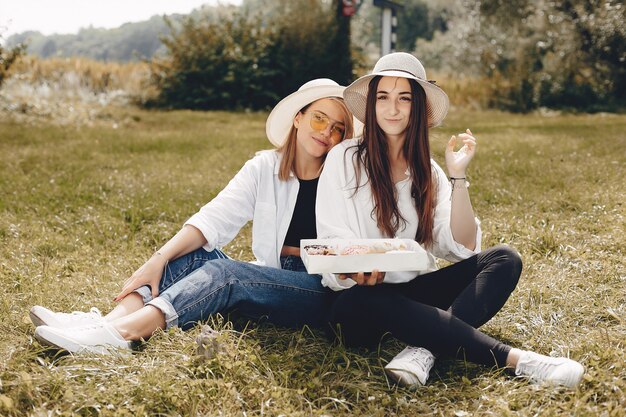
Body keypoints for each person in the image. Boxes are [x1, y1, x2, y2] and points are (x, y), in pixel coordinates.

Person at [316, 53, 584, 388]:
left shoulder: (429, 172)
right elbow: (331, 237)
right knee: (370, 296)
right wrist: (355, 264)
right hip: (357, 304)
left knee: (504, 259)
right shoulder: (344, 158)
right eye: (383, 97)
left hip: (411, 295)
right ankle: (521, 361)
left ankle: (423, 351)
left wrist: (458, 177)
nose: (392, 109)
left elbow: (460, 247)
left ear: (418, 108)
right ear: (371, 105)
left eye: (404, 98)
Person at [31, 78, 357, 354]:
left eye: (337, 128)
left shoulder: (344, 177)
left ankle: (122, 336)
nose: (326, 132)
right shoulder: (264, 167)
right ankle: (105, 322)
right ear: (298, 119)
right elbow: (215, 217)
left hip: (319, 288)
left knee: (227, 273)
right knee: (190, 254)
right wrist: (158, 259)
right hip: (271, 275)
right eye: (318, 119)